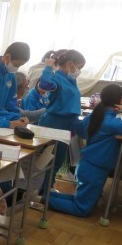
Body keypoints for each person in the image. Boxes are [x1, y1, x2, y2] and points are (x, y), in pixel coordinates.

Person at [36, 84, 122, 217]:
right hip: (95, 169)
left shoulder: (95, 116)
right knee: (82, 209)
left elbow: (81, 131)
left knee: (81, 200)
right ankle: (41, 199)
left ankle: (44, 196)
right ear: (121, 100)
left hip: (87, 165)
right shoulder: (112, 123)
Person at [37, 49, 86, 186]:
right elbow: (44, 85)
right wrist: (48, 67)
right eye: (79, 67)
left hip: (67, 124)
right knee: (48, 160)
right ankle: (42, 190)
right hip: (54, 123)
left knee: (58, 160)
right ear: (70, 64)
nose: (79, 71)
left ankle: (48, 188)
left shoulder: (71, 80)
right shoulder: (57, 78)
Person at [0, 41, 31, 115]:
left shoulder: (11, 74)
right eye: (17, 65)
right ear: (7, 57)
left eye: (20, 66)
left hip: (0, 115)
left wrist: (16, 115)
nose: (17, 68)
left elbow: (11, 99)